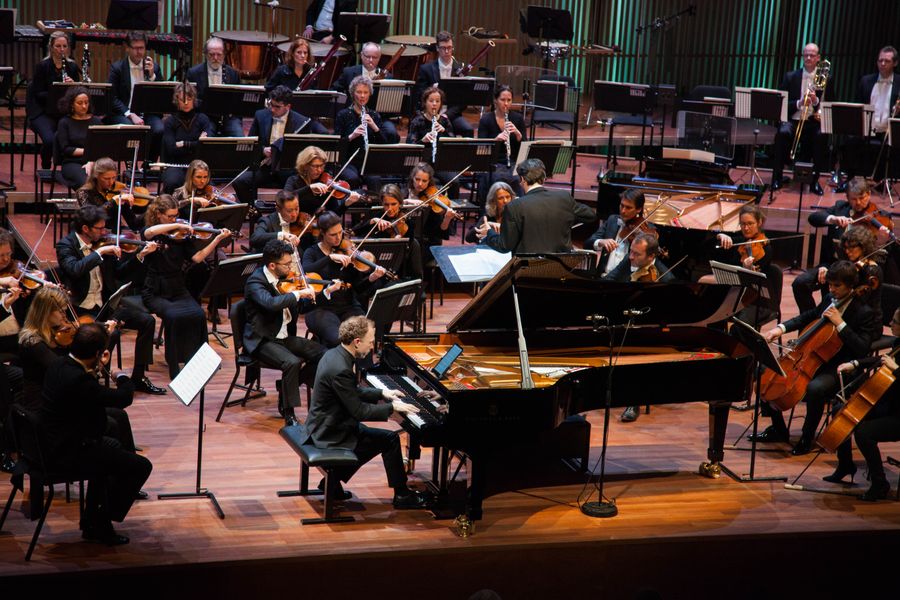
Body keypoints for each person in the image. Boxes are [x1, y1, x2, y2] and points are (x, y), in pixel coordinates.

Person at [302, 315, 433, 508]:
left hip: (326, 423)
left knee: (372, 439)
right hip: (330, 432)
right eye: (370, 342)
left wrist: (382, 392)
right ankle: (402, 496)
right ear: (357, 342)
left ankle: (332, 482)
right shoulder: (341, 368)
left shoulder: (335, 354)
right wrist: (392, 407)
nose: (372, 347)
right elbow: (359, 411)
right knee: (389, 440)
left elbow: (351, 391)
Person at [40, 322, 152, 545]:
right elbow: (122, 398)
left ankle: (93, 520)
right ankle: (101, 520)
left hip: (52, 440)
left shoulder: (60, 363)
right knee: (141, 466)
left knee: (112, 445)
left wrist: (95, 368)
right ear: (98, 353)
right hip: (68, 451)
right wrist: (121, 377)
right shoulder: (80, 380)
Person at [759, 261, 879, 455]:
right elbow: (808, 316)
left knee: (814, 388)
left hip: (841, 365)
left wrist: (841, 324)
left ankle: (807, 438)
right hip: (812, 358)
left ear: (850, 286)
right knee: (766, 371)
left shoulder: (864, 312)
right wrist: (779, 329)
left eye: (836, 286)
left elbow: (862, 349)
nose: (831, 289)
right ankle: (778, 430)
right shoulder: (830, 299)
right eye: (830, 285)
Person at [55, 205, 165, 394]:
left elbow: (120, 274)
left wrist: (140, 255)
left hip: (105, 304)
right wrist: (100, 253)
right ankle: (94, 376)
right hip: (80, 309)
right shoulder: (66, 245)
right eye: (100, 228)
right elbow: (74, 269)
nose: (105, 232)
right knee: (110, 334)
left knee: (147, 321)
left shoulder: (103, 244)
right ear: (86, 229)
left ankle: (138, 377)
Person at [141, 196, 231, 378]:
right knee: (174, 316)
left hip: (177, 287)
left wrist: (216, 240)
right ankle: (174, 366)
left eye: (176, 216)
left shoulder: (180, 238)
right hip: (156, 291)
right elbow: (148, 232)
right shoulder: (154, 233)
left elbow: (197, 258)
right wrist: (175, 226)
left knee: (198, 314)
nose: (174, 220)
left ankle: (199, 362)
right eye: (170, 216)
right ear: (159, 214)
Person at [243, 239, 326, 425]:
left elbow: (301, 308)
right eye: (287, 264)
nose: (291, 268)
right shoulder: (256, 282)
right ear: (272, 265)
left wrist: (320, 293)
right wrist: (298, 294)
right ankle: (288, 413)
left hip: (284, 336)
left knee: (323, 354)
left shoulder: (286, 281)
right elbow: (270, 304)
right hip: (263, 339)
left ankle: (286, 387)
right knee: (292, 362)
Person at [794, 178, 895, 314]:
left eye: (862, 198)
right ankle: (812, 322)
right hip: (832, 264)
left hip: (858, 271)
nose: (858, 203)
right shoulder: (840, 209)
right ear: (847, 197)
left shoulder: (880, 217)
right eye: (853, 199)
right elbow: (814, 218)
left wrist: (882, 240)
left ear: (869, 195)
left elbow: (881, 255)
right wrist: (832, 219)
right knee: (800, 284)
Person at [830, 307, 900, 501]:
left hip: (898, 416)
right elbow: (881, 358)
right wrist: (856, 363)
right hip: (889, 406)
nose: (890, 324)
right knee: (841, 410)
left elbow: (893, 367)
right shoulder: (899, 343)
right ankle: (845, 465)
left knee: (864, 433)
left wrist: (896, 370)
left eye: (895, 322)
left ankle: (880, 484)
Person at [301, 211, 386, 348]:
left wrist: (372, 277)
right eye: (333, 235)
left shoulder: (347, 252)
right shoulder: (312, 252)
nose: (338, 238)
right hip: (320, 308)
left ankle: (364, 369)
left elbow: (358, 288)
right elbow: (305, 270)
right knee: (338, 339)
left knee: (365, 336)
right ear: (322, 233)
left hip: (348, 306)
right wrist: (329, 258)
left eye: (340, 233)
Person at [233, 85, 327, 204]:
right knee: (239, 181)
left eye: (277, 107)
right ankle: (254, 212)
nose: (272, 109)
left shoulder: (301, 122)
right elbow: (252, 143)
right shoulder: (260, 116)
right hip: (266, 167)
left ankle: (289, 215)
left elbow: (304, 152)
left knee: (299, 189)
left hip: (288, 169)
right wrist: (263, 150)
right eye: (270, 104)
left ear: (288, 106)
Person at [478, 158, 595, 254]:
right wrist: (566, 220)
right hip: (560, 270)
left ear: (522, 179)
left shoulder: (515, 206)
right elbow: (590, 215)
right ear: (544, 179)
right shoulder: (564, 198)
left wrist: (489, 233)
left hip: (527, 273)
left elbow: (504, 246)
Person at [770, 42, 832, 194]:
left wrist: (815, 101)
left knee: (821, 136)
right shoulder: (791, 76)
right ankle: (777, 177)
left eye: (812, 55)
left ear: (818, 58)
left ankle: (814, 181)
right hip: (793, 119)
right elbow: (782, 104)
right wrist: (799, 102)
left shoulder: (825, 78)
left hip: (813, 120)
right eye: (806, 55)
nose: (808, 58)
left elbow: (829, 104)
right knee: (782, 133)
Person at [838, 46, 900, 191]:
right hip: (867, 128)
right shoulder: (866, 81)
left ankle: (881, 182)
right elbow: (858, 105)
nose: (882, 64)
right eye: (880, 60)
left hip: (888, 131)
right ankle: (852, 181)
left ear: (895, 63)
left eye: (887, 61)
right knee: (850, 142)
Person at [106, 30, 164, 161]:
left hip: (147, 113)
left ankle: (148, 164)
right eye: (135, 48)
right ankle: (129, 165)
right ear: (127, 48)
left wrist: (152, 76)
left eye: (142, 48)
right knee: (131, 129)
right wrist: (129, 114)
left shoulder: (154, 67)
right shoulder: (117, 68)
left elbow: (161, 95)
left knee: (159, 129)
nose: (139, 52)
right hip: (124, 113)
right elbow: (112, 97)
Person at [25, 31, 81, 168]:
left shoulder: (72, 67)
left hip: (63, 112)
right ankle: (46, 166)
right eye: (58, 46)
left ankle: (67, 166)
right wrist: (57, 90)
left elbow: (79, 93)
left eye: (64, 46)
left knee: (74, 137)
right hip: (42, 111)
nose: (61, 50)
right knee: (50, 140)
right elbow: (38, 93)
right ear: (51, 47)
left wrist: (72, 86)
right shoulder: (43, 66)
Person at [331, 42, 400, 143]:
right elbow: (335, 90)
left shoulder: (387, 77)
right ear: (362, 55)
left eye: (374, 57)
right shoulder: (349, 72)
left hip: (379, 117)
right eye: (367, 56)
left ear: (379, 58)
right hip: (353, 114)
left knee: (391, 133)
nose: (371, 60)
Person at [413, 31, 474, 137]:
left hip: (451, 115)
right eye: (443, 48)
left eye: (449, 47)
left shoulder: (460, 70)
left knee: (467, 129)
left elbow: (463, 101)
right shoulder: (426, 69)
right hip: (430, 114)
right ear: (437, 48)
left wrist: (446, 115)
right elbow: (421, 95)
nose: (447, 51)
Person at [586, 188, 657, 277]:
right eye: (622, 205)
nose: (623, 211)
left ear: (638, 209)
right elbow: (587, 244)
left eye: (628, 208)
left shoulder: (647, 231)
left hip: (626, 281)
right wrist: (601, 242)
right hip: (602, 277)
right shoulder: (612, 220)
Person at [333, 76, 387, 188]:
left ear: (369, 94)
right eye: (359, 92)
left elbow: (384, 144)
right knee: (352, 178)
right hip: (348, 161)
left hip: (367, 162)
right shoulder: (343, 115)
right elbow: (336, 145)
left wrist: (374, 127)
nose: (362, 96)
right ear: (353, 93)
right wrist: (352, 136)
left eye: (365, 92)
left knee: (375, 179)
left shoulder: (374, 116)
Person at [160, 82, 215, 194]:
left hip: (198, 165)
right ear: (177, 101)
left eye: (189, 99)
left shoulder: (203, 119)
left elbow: (206, 146)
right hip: (175, 165)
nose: (186, 103)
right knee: (172, 182)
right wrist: (197, 143)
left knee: (209, 188)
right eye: (182, 100)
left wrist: (183, 144)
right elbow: (171, 149)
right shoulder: (170, 121)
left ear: (194, 100)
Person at [476, 85, 527, 201]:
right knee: (499, 178)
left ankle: (517, 211)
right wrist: (496, 141)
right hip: (492, 163)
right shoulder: (486, 119)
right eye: (502, 100)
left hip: (512, 161)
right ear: (495, 100)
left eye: (509, 100)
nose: (506, 104)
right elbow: (481, 148)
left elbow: (524, 151)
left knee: (517, 178)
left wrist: (519, 135)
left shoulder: (518, 119)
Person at [186, 36, 243, 137]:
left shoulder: (233, 73)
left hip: (228, 118)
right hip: (205, 116)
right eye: (212, 54)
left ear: (224, 55)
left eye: (219, 55)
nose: (215, 58)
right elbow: (190, 99)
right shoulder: (193, 73)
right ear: (206, 54)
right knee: (206, 140)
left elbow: (239, 100)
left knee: (239, 137)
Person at [284, 145, 361, 216]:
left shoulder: (327, 183)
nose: (320, 170)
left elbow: (334, 215)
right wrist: (309, 188)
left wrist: (346, 204)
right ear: (305, 165)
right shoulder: (294, 180)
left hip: (318, 227)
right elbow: (285, 198)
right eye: (315, 166)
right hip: (297, 225)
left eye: (322, 165)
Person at [406, 162, 459, 262]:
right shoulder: (404, 194)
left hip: (427, 241)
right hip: (406, 238)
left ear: (429, 181)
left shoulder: (434, 198)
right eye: (417, 179)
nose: (420, 184)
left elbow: (440, 232)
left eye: (424, 181)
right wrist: (406, 201)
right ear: (412, 177)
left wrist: (447, 218)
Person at [75, 157, 143, 232]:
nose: (111, 182)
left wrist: (151, 210)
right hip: (92, 235)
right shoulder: (84, 192)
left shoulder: (117, 191)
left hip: (114, 236)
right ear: (96, 176)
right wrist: (113, 201)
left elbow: (134, 224)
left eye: (113, 178)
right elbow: (91, 218)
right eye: (106, 179)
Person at [251, 189, 317, 266]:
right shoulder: (268, 221)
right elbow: (254, 239)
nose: (294, 214)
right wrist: (282, 235)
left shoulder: (302, 221)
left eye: (296, 209)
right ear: (278, 209)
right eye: (289, 211)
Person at [54, 85, 102, 189]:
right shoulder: (64, 122)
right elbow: (66, 149)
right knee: (86, 181)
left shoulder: (96, 121)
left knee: (106, 179)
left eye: (86, 102)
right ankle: (90, 205)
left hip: (95, 161)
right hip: (72, 162)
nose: (84, 106)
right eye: (80, 103)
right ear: (71, 104)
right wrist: (88, 152)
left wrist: (92, 161)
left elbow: (101, 146)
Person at [603, 231, 675, 285]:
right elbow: (610, 278)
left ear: (651, 256)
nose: (631, 257)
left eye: (637, 254)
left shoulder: (666, 278)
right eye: (631, 251)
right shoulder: (628, 258)